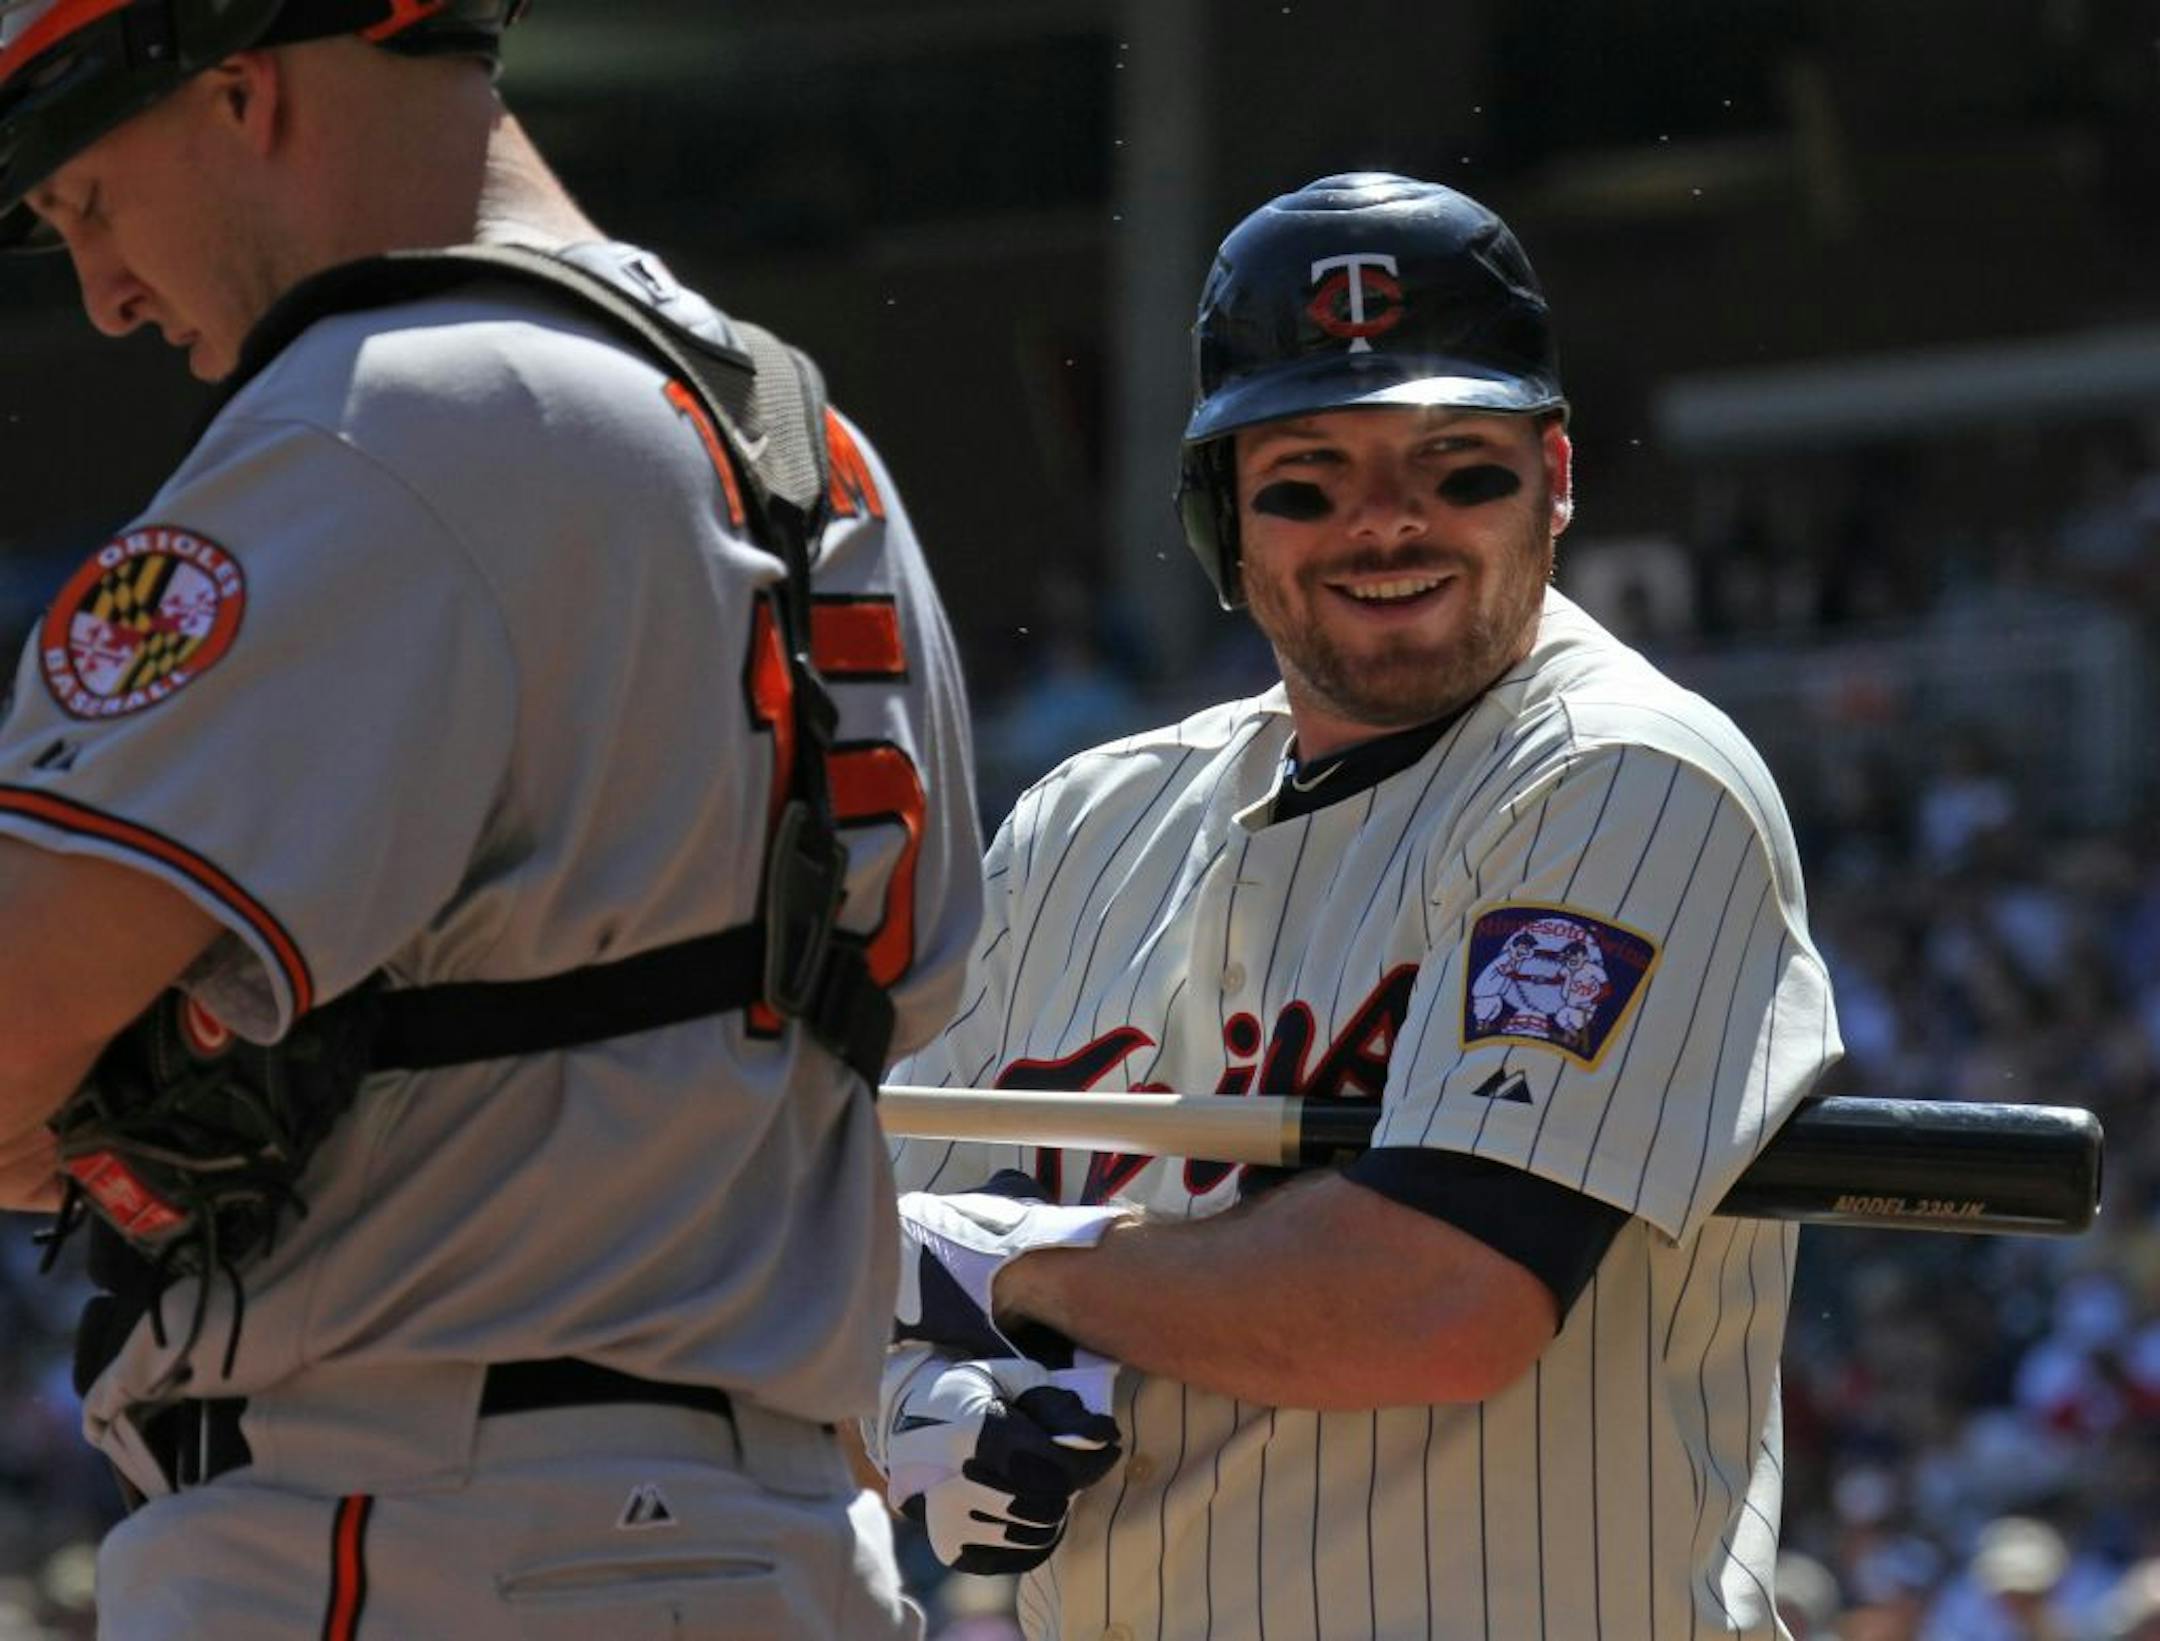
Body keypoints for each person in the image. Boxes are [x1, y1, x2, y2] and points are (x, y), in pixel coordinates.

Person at [0, 2, 982, 1636]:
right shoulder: (809, 445)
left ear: (238, 91)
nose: (100, 294)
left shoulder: (379, 415)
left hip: (423, 1533)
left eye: (88, 202)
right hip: (783, 1534)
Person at [872, 172, 1842, 1639]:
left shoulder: (1627, 779)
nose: (1387, 527)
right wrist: (912, 1396)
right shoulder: (1085, 825)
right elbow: (841, 1238)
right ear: (1221, 518)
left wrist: (1017, 1267)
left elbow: (1442, 1301)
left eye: (1458, 467)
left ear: (1558, 477)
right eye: (1309, 480)